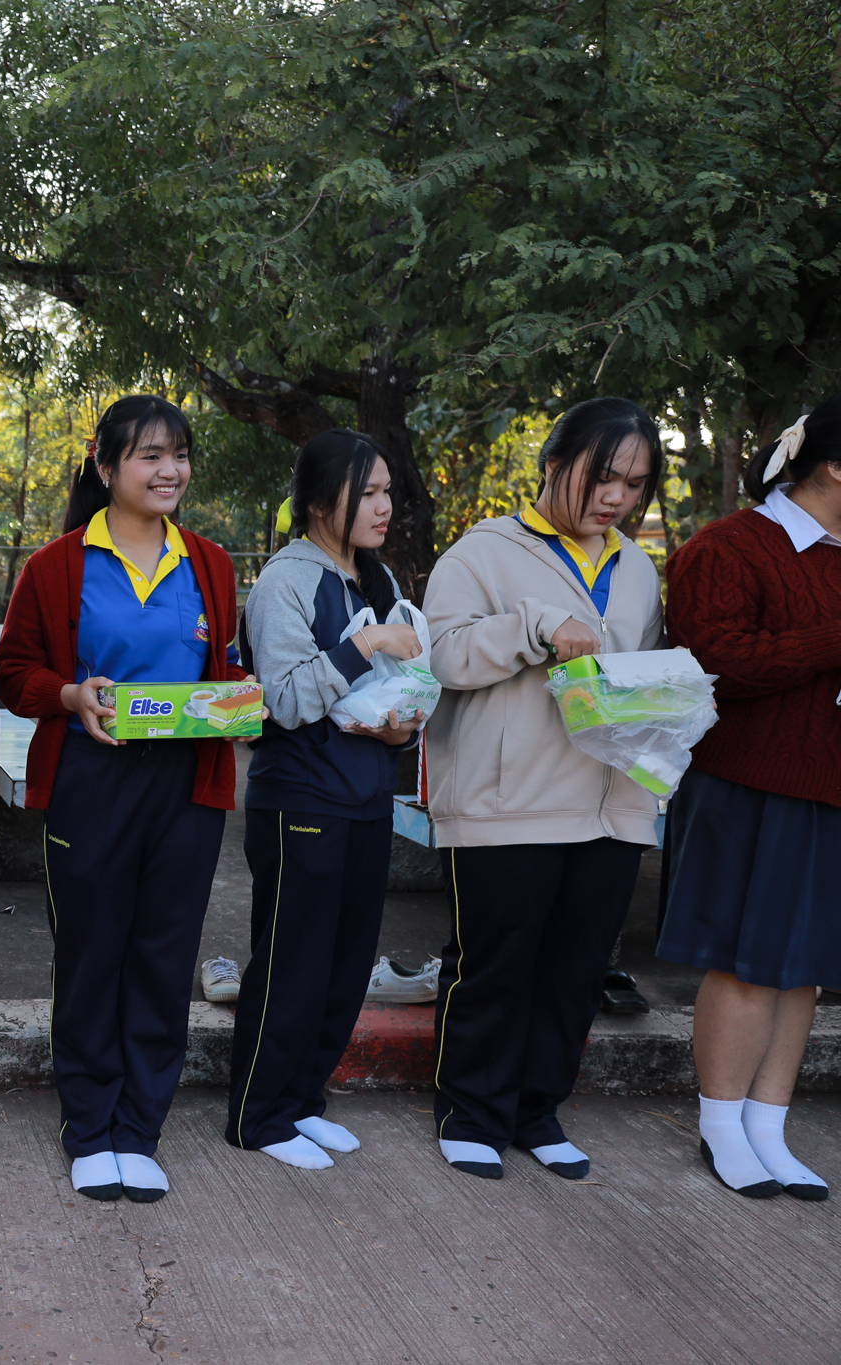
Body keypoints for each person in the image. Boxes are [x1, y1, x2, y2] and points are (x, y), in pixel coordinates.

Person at [0, 395, 246, 1203]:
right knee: (91, 954)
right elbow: (12, 674)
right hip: (90, 779)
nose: (169, 470)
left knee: (164, 957)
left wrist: (242, 699)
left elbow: (224, 667)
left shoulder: (210, 562)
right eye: (149, 455)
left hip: (186, 784)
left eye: (179, 454)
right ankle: (88, 1124)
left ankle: (139, 1128)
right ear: (106, 468)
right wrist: (70, 695)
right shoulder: (56, 565)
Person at [423, 396, 665, 1182]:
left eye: (635, 483)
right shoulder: (482, 552)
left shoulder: (637, 568)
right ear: (555, 463)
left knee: (575, 971)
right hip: (507, 803)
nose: (617, 497)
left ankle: (537, 1111)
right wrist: (535, 626)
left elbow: (637, 671)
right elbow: (444, 655)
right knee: (493, 963)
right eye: (604, 476)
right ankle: (470, 1113)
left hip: (612, 804)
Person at [658, 392, 841, 1200]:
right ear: (835, 466)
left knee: (803, 971)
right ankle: (721, 1124)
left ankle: (769, 1125)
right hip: (748, 784)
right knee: (746, 965)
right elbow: (719, 660)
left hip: (827, 786)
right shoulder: (728, 546)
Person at [225, 431, 424, 1170]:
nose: (384, 506)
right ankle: (258, 1116)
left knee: (345, 964)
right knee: (293, 963)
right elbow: (280, 700)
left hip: (367, 795)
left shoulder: (377, 577)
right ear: (317, 502)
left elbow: (397, 689)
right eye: (366, 493)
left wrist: (402, 728)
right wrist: (365, 645)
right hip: (301, 798)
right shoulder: (286, 580)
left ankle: (303, 1099)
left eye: (386, 491)